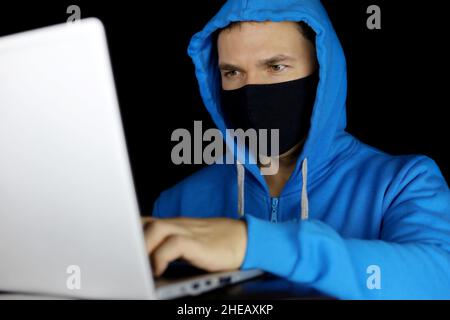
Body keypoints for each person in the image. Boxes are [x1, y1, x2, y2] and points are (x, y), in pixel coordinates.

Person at [143, 0, 450, 299]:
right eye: (232, 73)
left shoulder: (402, 184)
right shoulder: (177, 205)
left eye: (275, 66)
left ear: (322, 73)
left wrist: (253, 243)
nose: (251, 93)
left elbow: (438, 281)